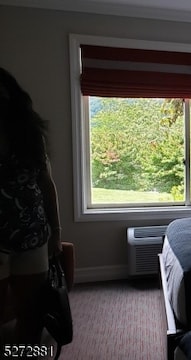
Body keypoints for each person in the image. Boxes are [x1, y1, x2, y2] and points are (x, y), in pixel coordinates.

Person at [0, 67, 62, 347]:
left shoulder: (29, 137)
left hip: (33, 234)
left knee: (32, 315)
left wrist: (56, 233)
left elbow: (47, 186)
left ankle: (23, 356)